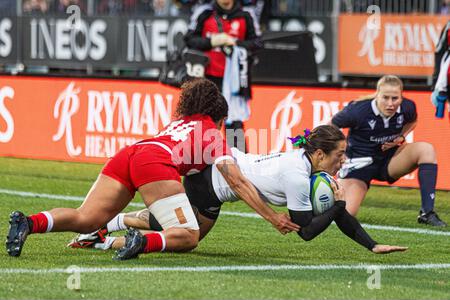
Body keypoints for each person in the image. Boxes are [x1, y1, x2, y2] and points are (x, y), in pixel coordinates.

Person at [6, 78, 299, 259]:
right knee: (187, 235)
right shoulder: (211, 133)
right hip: (154, 163)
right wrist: (273, 217)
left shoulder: (178, 124)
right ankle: (139, 241)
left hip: (130, 154)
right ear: (218, 117)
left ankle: (28, 222)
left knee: (86, 219)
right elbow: (237, 182)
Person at [70, 125, 407, 255]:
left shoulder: (308, 168)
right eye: (339, 154)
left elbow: (335, 213)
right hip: (210, 180)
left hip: (217, 179)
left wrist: (372, 245)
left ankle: (102, 235)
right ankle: (105, 231)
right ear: (319, 154)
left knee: (180, 237)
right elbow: (305, 231)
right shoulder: (296, 174)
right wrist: (337, 205)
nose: (343, 160)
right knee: (176, 234)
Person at [331, 75, 447, 227]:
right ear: (377, 94)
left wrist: (401, 137)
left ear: (401, 97)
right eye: (385, 98)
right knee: (346, 215)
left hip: (390, 160)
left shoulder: (407, 106)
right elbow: (330, 127)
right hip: (359, 165)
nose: (390, 104)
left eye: (395, 98)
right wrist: (340, 153)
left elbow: (413, 121)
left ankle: (427, 213)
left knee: (426, 150)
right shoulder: (358, 110)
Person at [184, 0, 262, 152]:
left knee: (235, 125)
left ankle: (240, 163)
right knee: (204, 124)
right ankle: (200, 167)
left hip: (235, 82)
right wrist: (213, 41)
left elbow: (257, 43)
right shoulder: (204, 12)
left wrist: (235, 43)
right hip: (208, 79)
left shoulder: (247, 15)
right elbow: (189, 40)